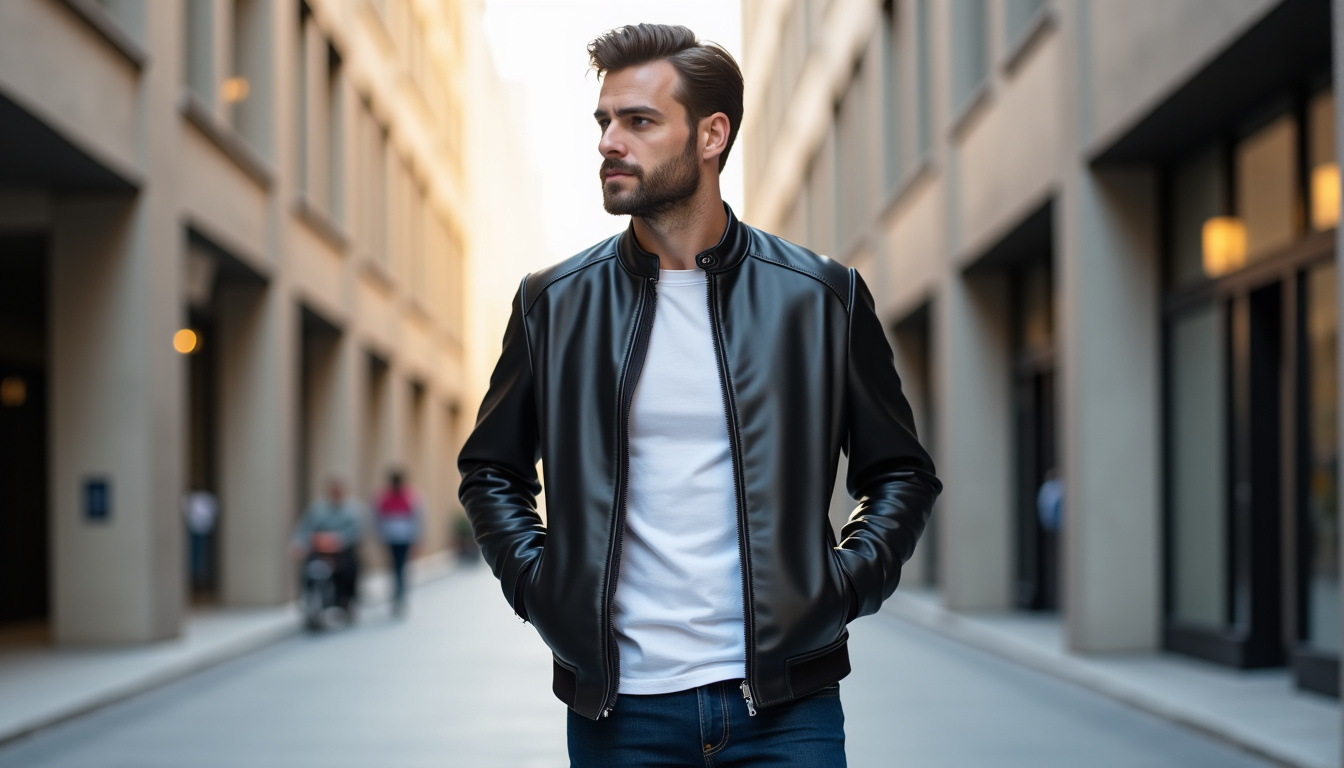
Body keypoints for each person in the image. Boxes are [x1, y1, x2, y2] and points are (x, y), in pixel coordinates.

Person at [458, 23, 940, 767]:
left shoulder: (819, 298)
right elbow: (491, 470)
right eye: (604, 121)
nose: (609, 142)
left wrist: (840, 588)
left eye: (639, 121)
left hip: (787, 708)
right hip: (621, 714)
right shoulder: (552, 303)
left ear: (711, 135)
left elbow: (900, 471)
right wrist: (540, 586)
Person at [291, 476, 364, 612]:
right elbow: (305, 528)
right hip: (319, 551)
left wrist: (339, 540)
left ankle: (347, 600)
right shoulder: (317, 509)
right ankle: (309, 598)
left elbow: (356, 531)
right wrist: (299, 543)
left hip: (342, 551)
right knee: (308, 569)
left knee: (350, 568)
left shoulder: (352, 510)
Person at [374, 469, 422, 617]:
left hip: (404, 538)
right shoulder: (384, 497)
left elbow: (417, 519)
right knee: (395, 568)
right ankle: (397, 595)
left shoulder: (410, 497)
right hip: (391, 538)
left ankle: (400, 596)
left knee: (400, 568)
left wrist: (416, 538)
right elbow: (378, 518)